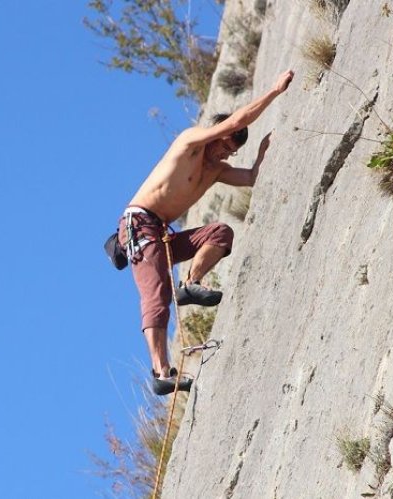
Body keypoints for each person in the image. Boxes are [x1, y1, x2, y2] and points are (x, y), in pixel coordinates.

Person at [118, 70, 294, 395]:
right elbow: (233, 122)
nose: (225, 154)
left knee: (220, 233)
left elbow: (252, 177)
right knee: (156, 295)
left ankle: (191, 283)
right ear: (215, 135)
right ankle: (160, 373)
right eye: (225, 146)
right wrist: (273, 90)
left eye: (230, 152)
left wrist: (262, 153)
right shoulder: (190, 143)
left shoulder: (215, 171)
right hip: (140, 224)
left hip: (162, 233)